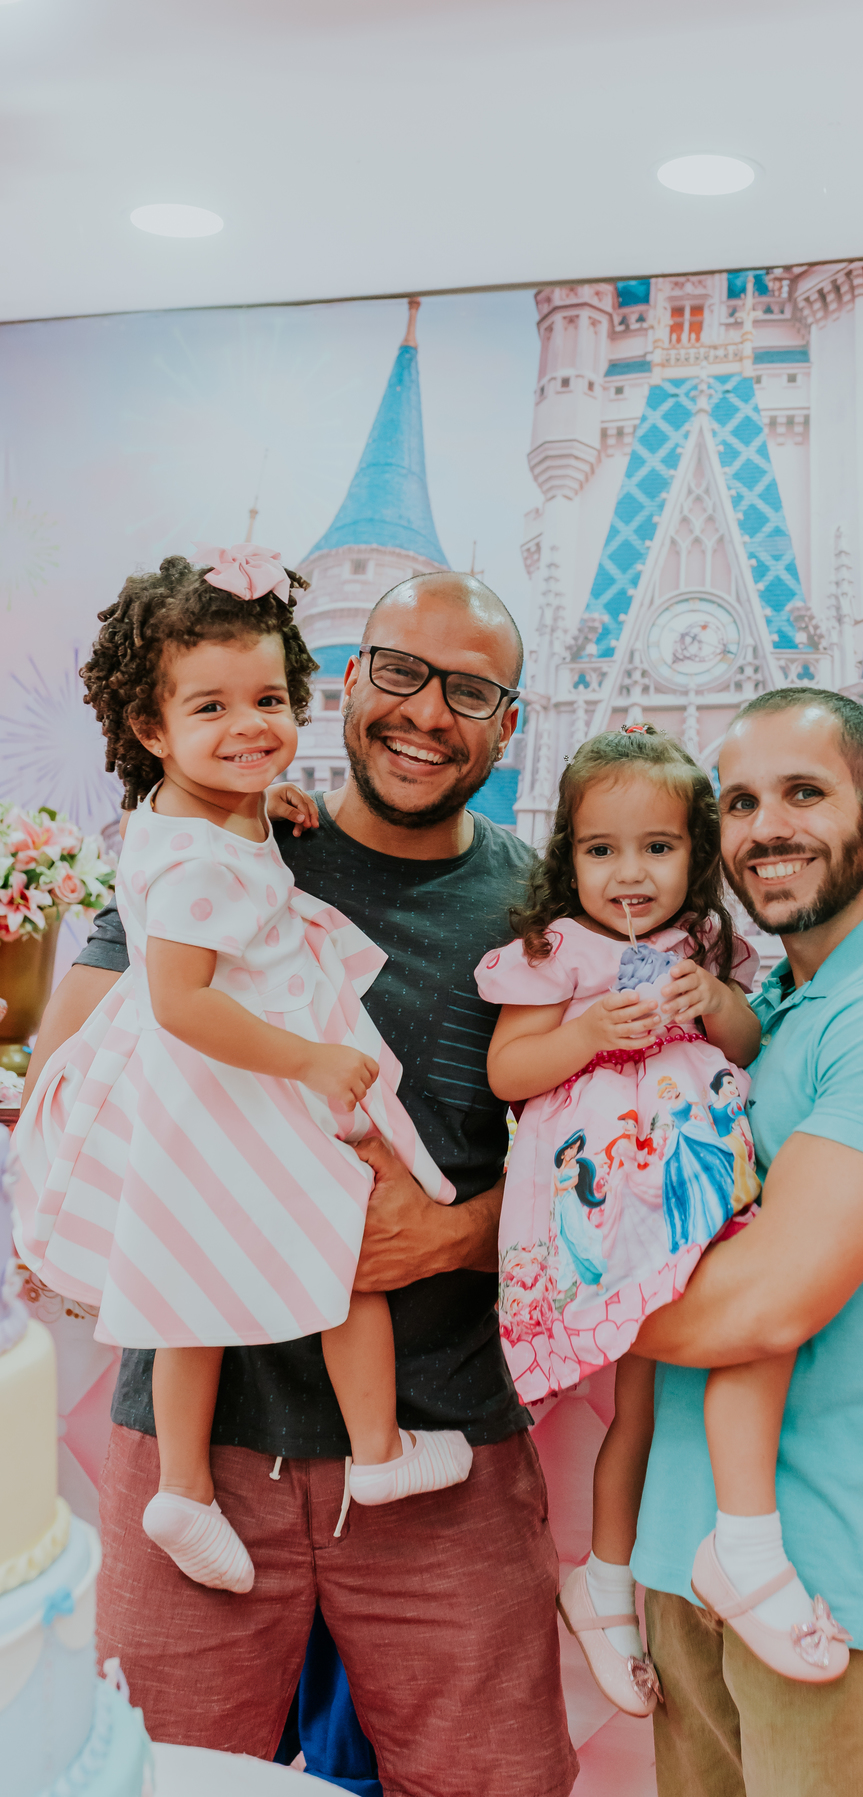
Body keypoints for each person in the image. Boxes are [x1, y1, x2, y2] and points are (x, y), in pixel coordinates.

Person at [23, 566, 577, 1797]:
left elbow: (598, 1174)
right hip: (201, 1451)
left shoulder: (542, 907)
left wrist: (451, 1234)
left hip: (442, 1441)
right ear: (349, 683)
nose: (427, 712)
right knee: (145, 1778)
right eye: (399, 672)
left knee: (495, 1780)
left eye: (470, 689)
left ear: (510, 722)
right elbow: (73, 1069)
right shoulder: (227, 841)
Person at [12, 548, 476, 1599]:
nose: (250, 725)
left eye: (268, 698)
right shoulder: (190, 860)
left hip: (211, 1086)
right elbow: (180, 1001)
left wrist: (271, 813)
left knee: (192, 1285)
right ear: (149, 729)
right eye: (211, 707)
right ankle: (370, 1453)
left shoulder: (210, 817)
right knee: (333, 1237)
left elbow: (230, 846)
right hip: (224, 1078)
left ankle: (191, 1487)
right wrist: (312, 1059)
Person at [630, 687, 863, 1797]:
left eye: (804, 792)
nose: (766, 828)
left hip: (826, 1577)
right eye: (740, 803)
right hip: (683, 1555)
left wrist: (536, 1293)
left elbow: (765, 1304)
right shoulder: (775, 1015)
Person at [477, 726, 849, 1724]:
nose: (629, 873)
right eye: (602, 850)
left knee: (748, 1340)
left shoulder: (705, 947)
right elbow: (508, 1074)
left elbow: (747, 1038)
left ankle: (726, 1541)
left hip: (698, 1194)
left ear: (695, 853)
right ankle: (604, 1584)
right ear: (569, 856)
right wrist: (587, 1030)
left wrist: (718, 999)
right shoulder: (553, 952)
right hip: (602, 1206)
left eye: (656, 847)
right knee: (635, 1412)